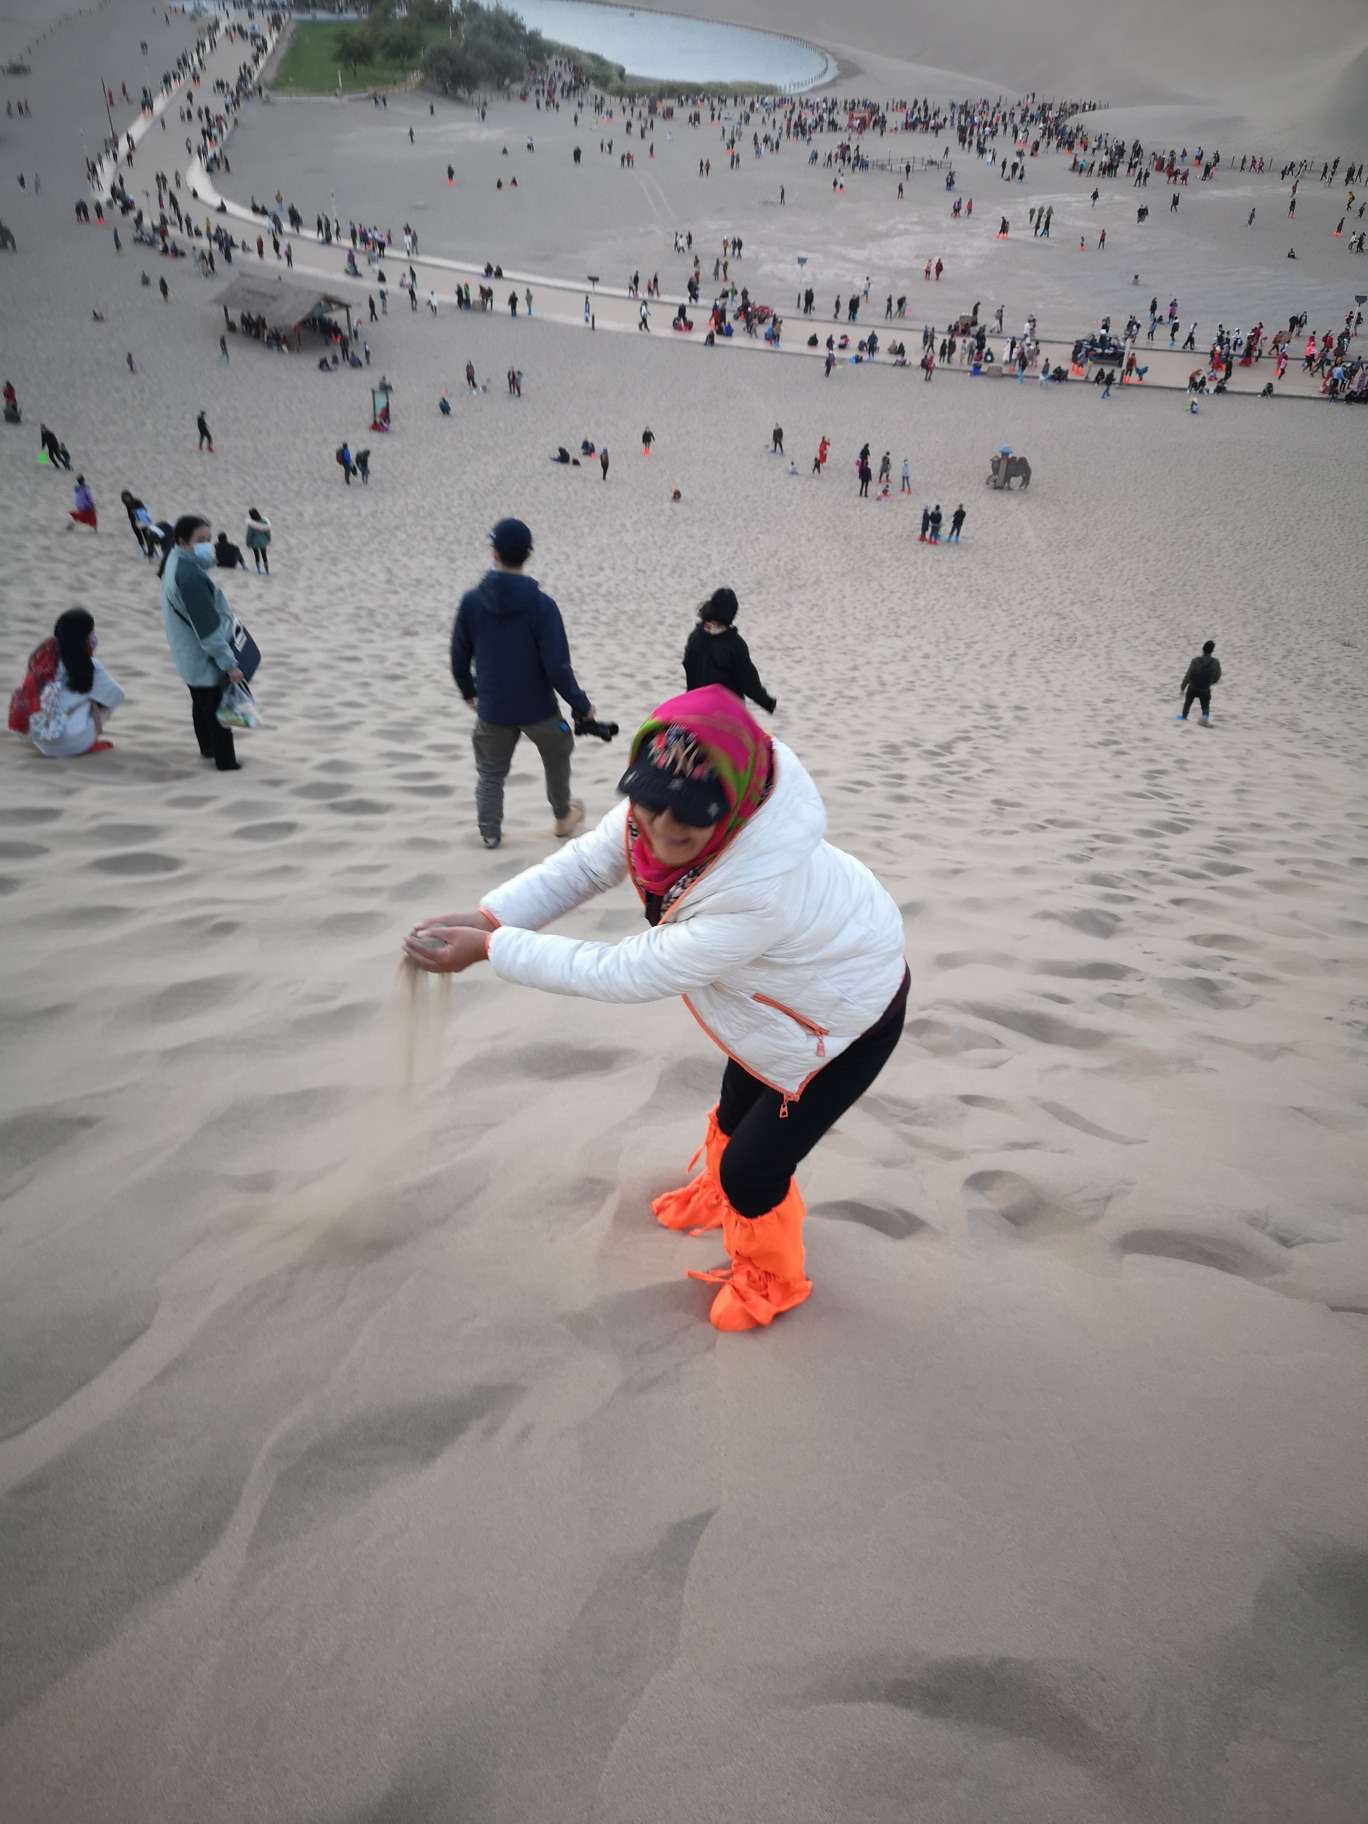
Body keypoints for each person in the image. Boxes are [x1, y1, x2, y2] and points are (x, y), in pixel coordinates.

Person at [402, 686, 909, 1334]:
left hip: (843, 1024)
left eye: (687, 827)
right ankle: (720, 1193)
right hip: (782, 999)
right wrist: (491, 915)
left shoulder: (757, 896)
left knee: (756, 1170)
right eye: (646, 810)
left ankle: (771, 1277)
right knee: (733, 1112)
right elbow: (585, 864)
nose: (662, 837)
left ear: (733, 812)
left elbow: (626, 971)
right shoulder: (669, 795)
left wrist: (492, 949)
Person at [449, 518, 596, 849]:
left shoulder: (473, 601)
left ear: (494, 554)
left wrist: (469, 691)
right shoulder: (542, 605)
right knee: (558, 751)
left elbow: (458, 656)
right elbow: (558, 666)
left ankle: (489, 832)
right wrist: (581, 705)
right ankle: (562, 816)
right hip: (539, 709)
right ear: (527, 554)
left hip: (493, 708)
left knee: (490, 771)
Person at [159, 514, 245, 772]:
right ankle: (225, 763)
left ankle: (207, 748)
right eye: (200, 540)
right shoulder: (190, 577)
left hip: (186, 651)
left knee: (200, 701)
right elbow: (207, 630)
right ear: (182, 541)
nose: (207, 545)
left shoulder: (173, 559)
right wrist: (230, 665)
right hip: (202, 654)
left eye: (208, 539)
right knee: (216, 708)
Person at [24, 610, 124, 757]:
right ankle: (89, 742)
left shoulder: (41, 661)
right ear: (84, 638)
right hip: (74, 746)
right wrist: (93, 699)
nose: (94, 638)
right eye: (91, 633)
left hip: (41, 740)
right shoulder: (91, 666)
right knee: (105, 700)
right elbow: (117, 696)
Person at [682, 589, 776, 714]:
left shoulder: (695, 636)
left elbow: (688, 668)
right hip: (726, 715)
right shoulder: (734, 644)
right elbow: (749, 682)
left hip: (695, 708)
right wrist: (768, 703)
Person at [1177, 639, 1221, 723]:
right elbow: (1217, 676)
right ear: (1212, 650)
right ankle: (1205, 719)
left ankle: (1184, 716)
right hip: (1205, 688)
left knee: (1188, 703)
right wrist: (1210, 683)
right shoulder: (1215, 662)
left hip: (1193, 687)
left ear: (1203, 649)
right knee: (1205, 706)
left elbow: (1188, 675)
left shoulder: (1195, 661)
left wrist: (1182, 687)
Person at [245, 507, 271, 574]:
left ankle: (258, 570)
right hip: (263, 542)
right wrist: (268, 539)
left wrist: (248, 542)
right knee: (264, 556)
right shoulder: (264, 522)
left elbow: (249, 534)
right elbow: (267, 532)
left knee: (257, 556)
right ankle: (267, 571)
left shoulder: (251, 524)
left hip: (254, 543)